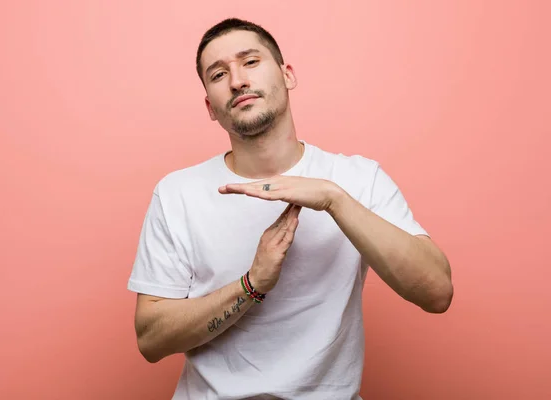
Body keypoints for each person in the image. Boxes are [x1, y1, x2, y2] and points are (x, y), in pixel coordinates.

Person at [127, 17, 453, 400]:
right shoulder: (177, 193)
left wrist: (335, 200)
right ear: (210, 107)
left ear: (287, 75)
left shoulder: (357, 178)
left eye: (250, 62)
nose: (237, 81)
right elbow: (151, 340)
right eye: (218, 74)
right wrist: (252, 286)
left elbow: (437, 292)